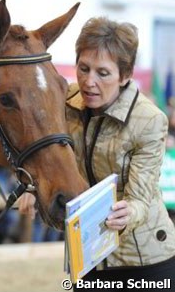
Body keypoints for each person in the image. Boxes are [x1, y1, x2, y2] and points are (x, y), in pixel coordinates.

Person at [18, 16, 175, 291]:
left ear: (125, 76)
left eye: (103, 73)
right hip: (86, 255)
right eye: (83, 68)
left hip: (144, 259)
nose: (89, 82)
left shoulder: (150, 120)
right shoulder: (64, 102)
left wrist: (131, 211)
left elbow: (141, 196)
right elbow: (44, 153)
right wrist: (31, 187)